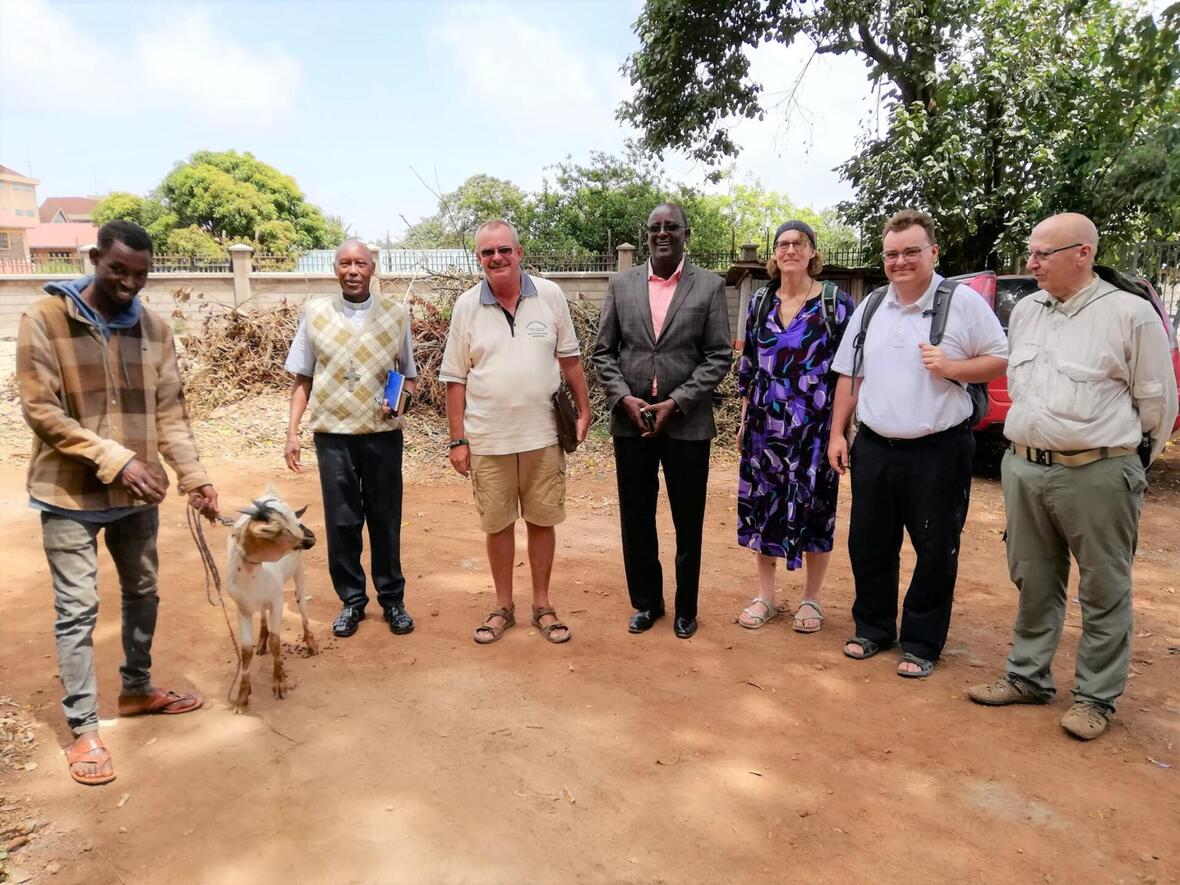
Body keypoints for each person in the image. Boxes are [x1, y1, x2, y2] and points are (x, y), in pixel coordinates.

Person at [17, 220, 220, 787]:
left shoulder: (154, 329)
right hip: (67, 493)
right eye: (118, 270)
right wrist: (119, 460)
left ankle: (136, 690)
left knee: (143, 593)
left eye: (140, 274)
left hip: (139, 496)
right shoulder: (44, 320)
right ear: (94, 257)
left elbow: (173, 413)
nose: (129, 283)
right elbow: (42, 412)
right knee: (77, 611)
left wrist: (195, 476)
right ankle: (84, 728)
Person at [967, 213, 1177, 740]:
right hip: (1024, 467)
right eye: (1031, 253)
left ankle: (1095, 698)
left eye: (1043, 254)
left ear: (1082, 253)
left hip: (1099, 472)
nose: (1030, 263)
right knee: (1032, 577)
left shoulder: (1131, 316)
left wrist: (1123, 464)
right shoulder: (1027, 313)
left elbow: (1157, 406)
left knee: (1105, 587)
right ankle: (1027, 675)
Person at [828, 209, 1008, 677]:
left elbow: (998, 359)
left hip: (939, 449)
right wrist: (836, 433)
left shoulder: (962, 302)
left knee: (935, 547)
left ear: (932, 252)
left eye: (911, 251)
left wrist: (953, 367)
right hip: (874, 446)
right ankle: (873, 629)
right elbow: (850, 375)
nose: (900, 261)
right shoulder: (870, 307)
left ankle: (922, 643)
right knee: (869, 543)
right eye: (892, 254)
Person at [439, 220, 591, 644]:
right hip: (488, 438)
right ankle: (503, 606)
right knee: (498, 524)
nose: (497, 259)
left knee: (542, 522)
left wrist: (584, 409)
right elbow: (455, 378)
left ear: (520, 252)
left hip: (543, 434)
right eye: (488, 253)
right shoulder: (467, 306)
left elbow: (570, 359)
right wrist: (458, 440)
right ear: (478, 260)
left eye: (504, 250)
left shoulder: (550, 295)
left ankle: (542, 605)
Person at [593, 202, 732, 639]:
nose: (663, 233)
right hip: (633, 424)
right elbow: (603, 353)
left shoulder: (709, 286)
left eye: (672, 226)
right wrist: (624, 399)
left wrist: (676, 401)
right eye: (655, 227)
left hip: (686, 424)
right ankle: (647, 603)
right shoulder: (621, 284)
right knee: (636, 518)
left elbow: (718, 356)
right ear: (647, 234)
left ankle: (686, 609)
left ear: (686, 233)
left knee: (687, 521)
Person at [285, 239, 418, 638]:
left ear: (373, 268)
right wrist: (291, 431)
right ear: (335, 268)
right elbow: (302, 377)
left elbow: (409, 374)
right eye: (345, 263)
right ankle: (351, 602)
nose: (353, 270)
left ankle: (392, 600)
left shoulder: (396, 315)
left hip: (382, 436)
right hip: (332, 436)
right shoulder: (314, 314)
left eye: (360, 263)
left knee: (385, 519)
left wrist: (401, 402)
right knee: (343, 522)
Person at [735, 221, 854, 633]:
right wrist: (743, 419)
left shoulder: (835, 304)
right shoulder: (761, 302)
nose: (790, 250)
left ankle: (811, 599)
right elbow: (749, 367)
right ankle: (766, 596)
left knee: (817, 508)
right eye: (783, 244)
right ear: (774, 254)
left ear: (812, 252)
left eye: (798, 243)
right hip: (764, 428)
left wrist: (841, 430)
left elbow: (849, 374)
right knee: (764, 508)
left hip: (814, 431)